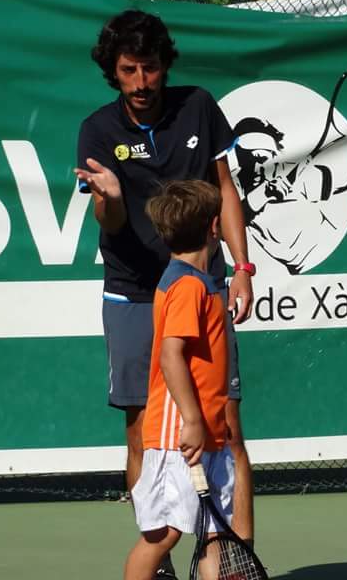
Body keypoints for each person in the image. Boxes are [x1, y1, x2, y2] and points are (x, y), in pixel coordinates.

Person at [74, 10, 256, 577]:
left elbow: (225, 191)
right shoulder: (97, 130)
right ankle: (157, 554)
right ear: (114, 72)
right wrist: (106, 195)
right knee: (141, 430)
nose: (141, 82)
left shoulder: (199, 105)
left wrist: (243, 267)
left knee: (225, 419)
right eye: (129, 70)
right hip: (133, 293)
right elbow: (110, 223)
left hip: (203, 287)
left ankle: (229, 555)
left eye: (149, 68)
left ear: (163, 66)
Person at [124, 179, 233, 580]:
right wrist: (190, 419)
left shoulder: (194, 282)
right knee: (163, 534)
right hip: (179, 431)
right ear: (215, 226)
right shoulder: (187, 285)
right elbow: (172, 356)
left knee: (212, 532)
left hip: (204, 429)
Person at [227, 116, 347, 274]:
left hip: (332, 255)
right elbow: (224, 228)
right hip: (298, 271)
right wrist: (263, 195)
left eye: (261, 159)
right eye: (246, 158)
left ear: (274, 157)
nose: (255, 166)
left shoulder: (297, 173)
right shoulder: (231, 184)